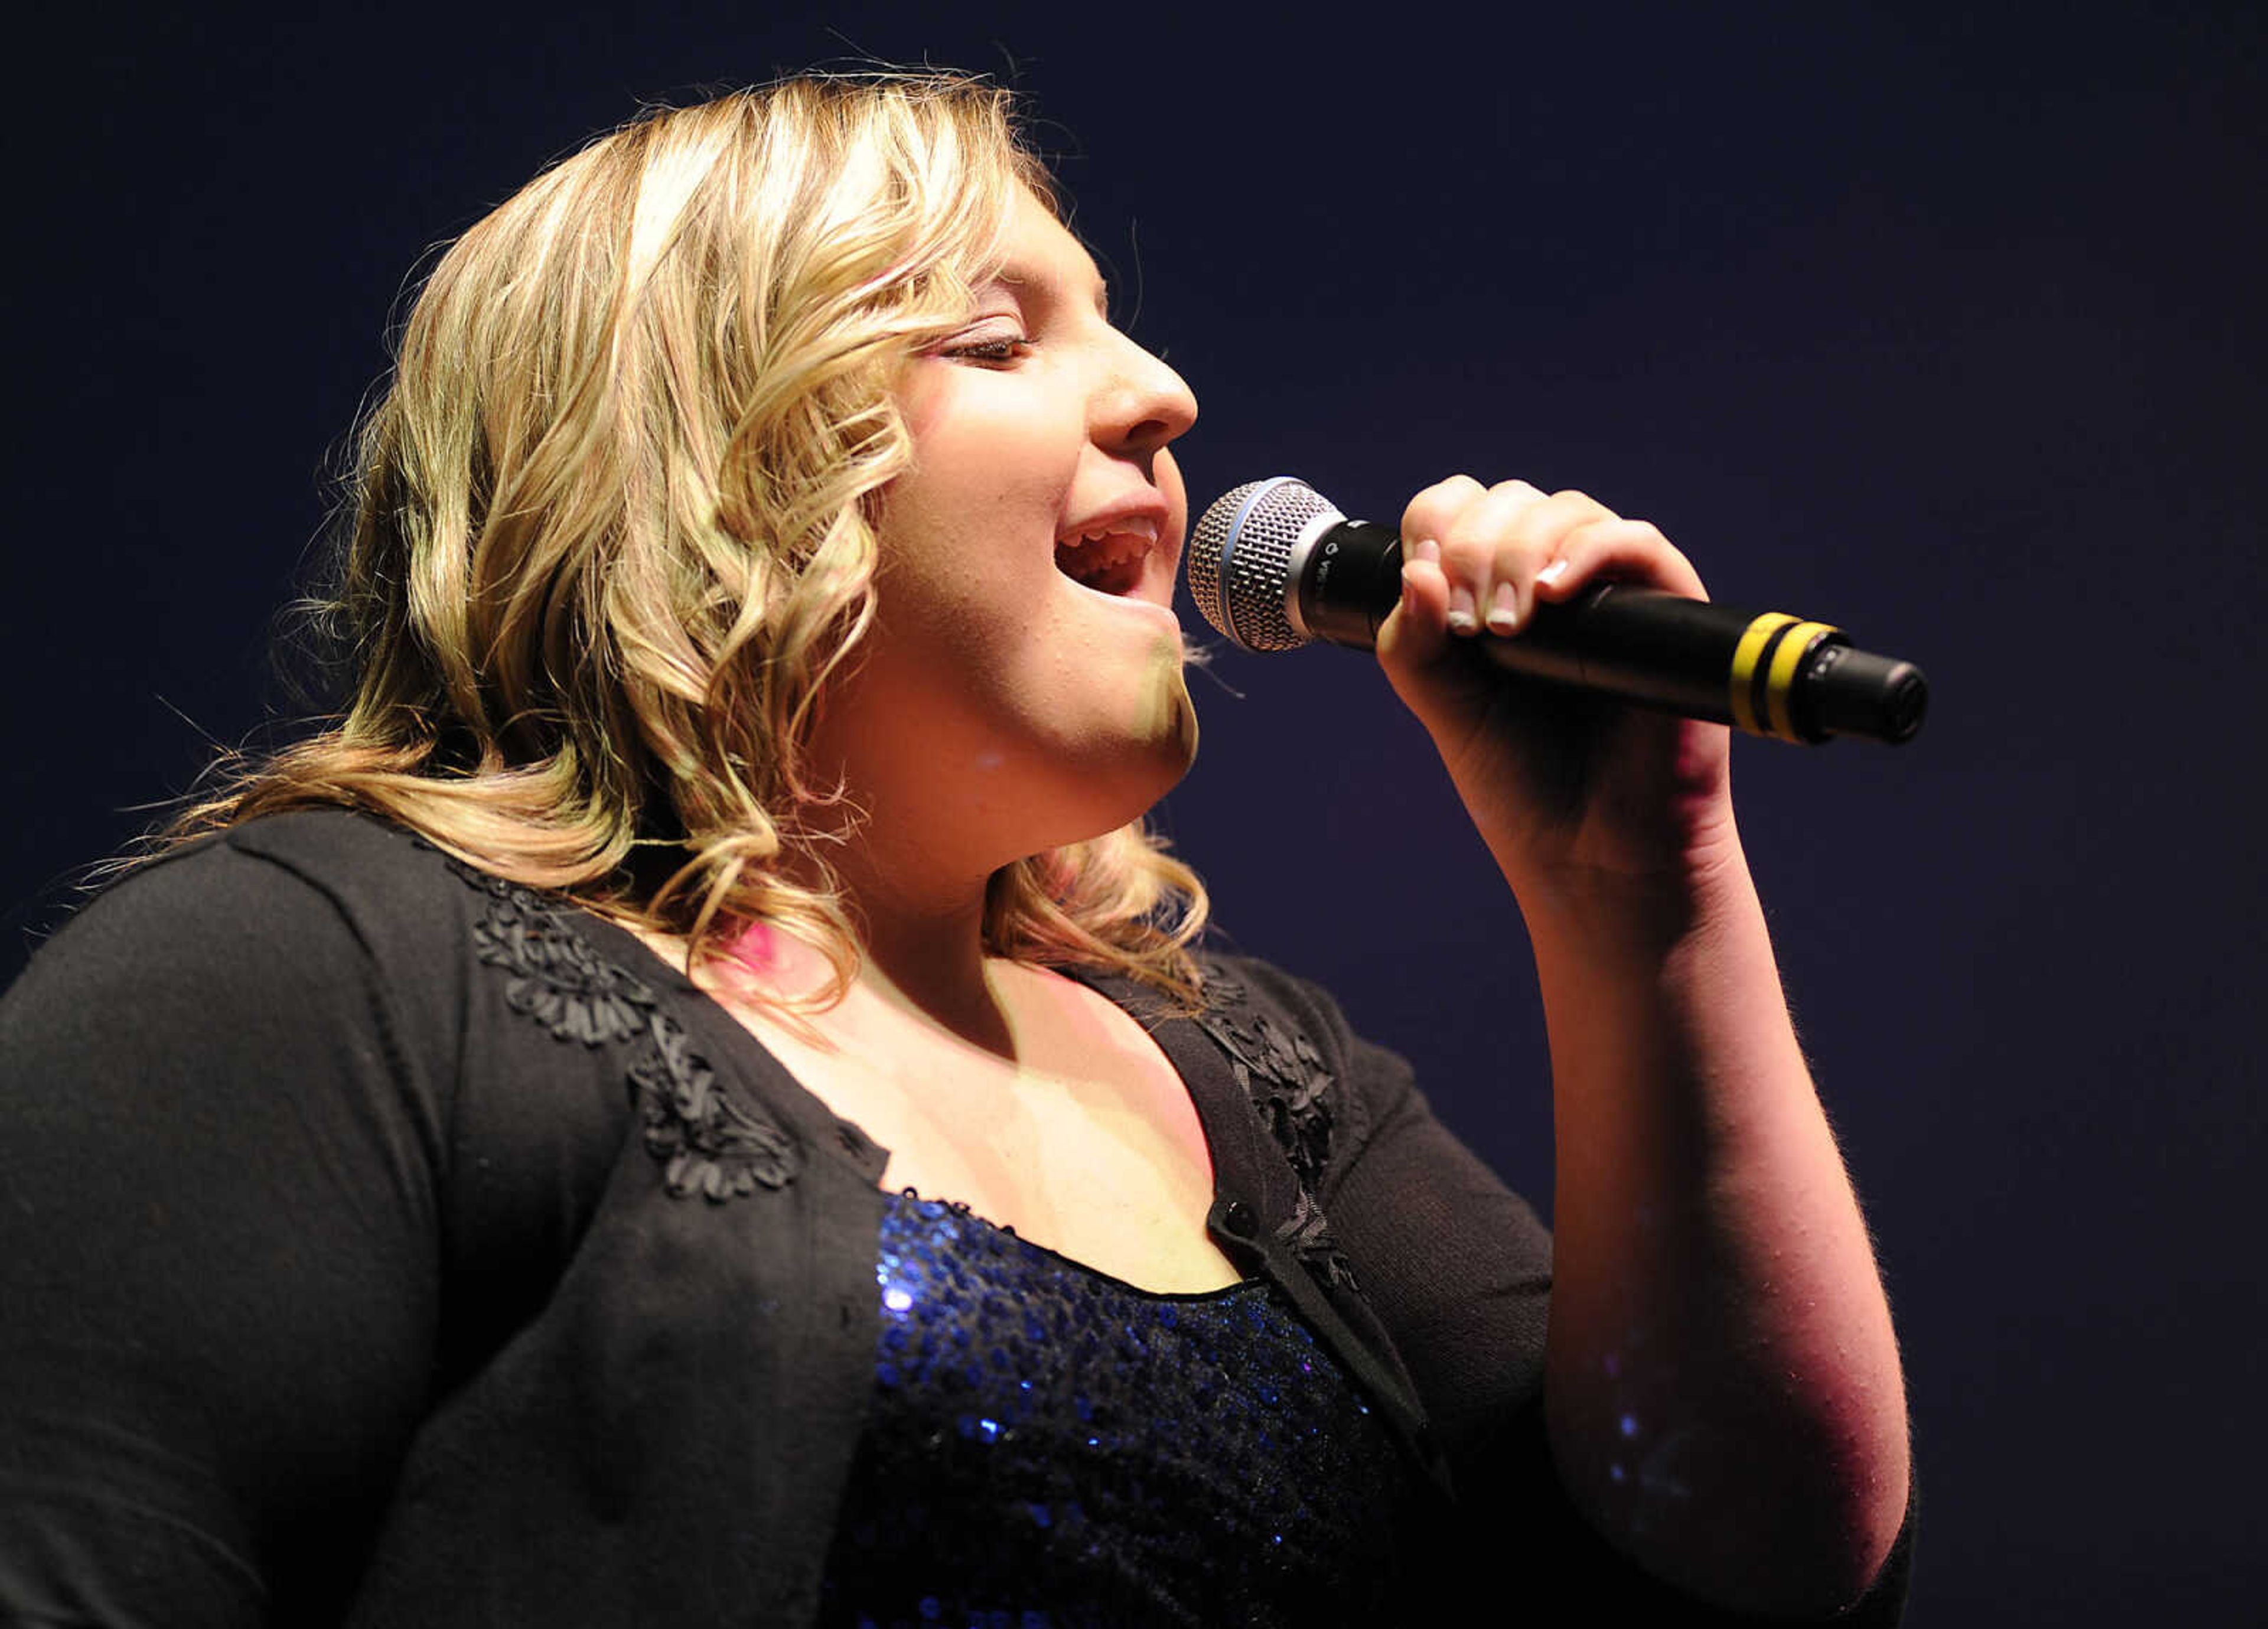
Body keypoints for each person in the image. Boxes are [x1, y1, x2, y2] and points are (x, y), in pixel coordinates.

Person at [0, 73, 1912, 1627]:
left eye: (1118, 320)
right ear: (708, 467)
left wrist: (1638, 901)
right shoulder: (318, 967)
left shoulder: (1262, 1080)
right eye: (998, 332)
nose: (1167, 393)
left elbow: (1744, 1575)